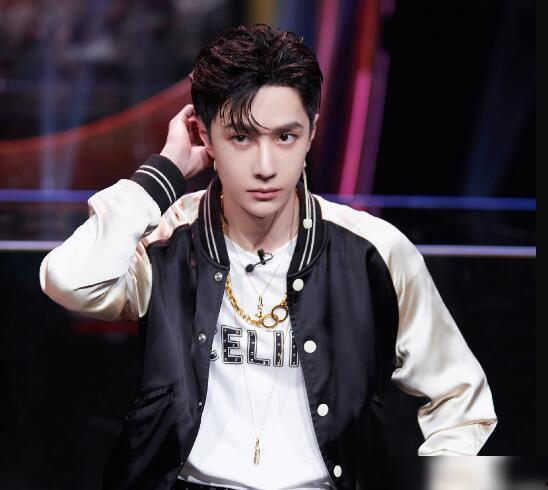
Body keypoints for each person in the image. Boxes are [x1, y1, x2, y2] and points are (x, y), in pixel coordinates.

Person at [39, 23, 497, 490]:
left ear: (312, 132)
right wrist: (165, 172)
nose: (265, 166)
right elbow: (70, 281)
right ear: (204, 136)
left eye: (285, 137)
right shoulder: (169, 239)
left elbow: (462, 398)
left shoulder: (373, 250)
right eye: (241, 137)